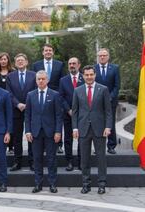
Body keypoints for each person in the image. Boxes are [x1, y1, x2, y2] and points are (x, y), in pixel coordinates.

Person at [72, 65, 112, 195]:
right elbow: (75, 112)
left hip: (100, 129)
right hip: (83, 129)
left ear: (95, 75)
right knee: (84, 158)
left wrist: (108, 126)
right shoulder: (77, 90)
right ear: (83, 76)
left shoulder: (103, 89)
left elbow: (108, 111)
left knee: (101, 158)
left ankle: (101, 184)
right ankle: (86, 184)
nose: (89, 77)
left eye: (91, 74)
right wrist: (75, 128)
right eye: (86, 75)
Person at [25, 70, 63, 193]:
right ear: (36, 81)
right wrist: (28, 131)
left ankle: (52, 184)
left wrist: (58, 131)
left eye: (43, 79)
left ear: (47, 80)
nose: (41, 81)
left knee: (51, 159)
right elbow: (28, 115)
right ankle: (38, 184)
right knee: (37, 159)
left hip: (51, 132)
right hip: (35, 132)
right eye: (38, 79)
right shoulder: (30, 95)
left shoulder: (55, 95)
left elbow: (58, 115)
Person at [32, 44, 65, 154]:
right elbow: (34, 82)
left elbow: (62, 82)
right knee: (43, 119)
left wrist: (60, 97)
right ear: (43, 52)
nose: (48, 52)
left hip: (55, 97)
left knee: (57, 119)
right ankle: (43, 145)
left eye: (50, 50)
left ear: (53, 52)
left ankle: (59, 144)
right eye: (46, 50)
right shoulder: (36, 65)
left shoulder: (59, 64)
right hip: (40, 95)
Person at [6, 53, 36, 172]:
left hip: (31, 109)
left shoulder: (33, 75)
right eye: (17, 61)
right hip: (16, 109)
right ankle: (17, 161)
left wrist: (28, 104)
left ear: (26, 62)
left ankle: (32, 161)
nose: (20, 62)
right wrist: (18, 104)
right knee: (17, 137)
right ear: (15, 63)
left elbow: (36, 90)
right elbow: (9, 93)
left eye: (22, 60)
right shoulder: (10, 76)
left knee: (31, 136)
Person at [59, 57, 84, 171]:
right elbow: (61, 97)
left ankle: (81, 162)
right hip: (68, 114)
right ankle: (69, 161)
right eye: (70, 64)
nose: (72, 65)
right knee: (68, 139)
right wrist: (68, 110)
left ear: (79, 65)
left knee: (82, 138)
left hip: (83, 114)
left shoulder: (85, 78)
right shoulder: (63, 80)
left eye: (74, 63)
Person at [94, 48, 120, 154]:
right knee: (97, 124)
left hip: (111, 101)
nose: (102, 57)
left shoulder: (115, 68)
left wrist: (110, 97)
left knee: (111, 123)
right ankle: (98, 147)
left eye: (104, 55)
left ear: (108, 56)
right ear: (98, 57)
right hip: (96, 102)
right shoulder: (93, 68)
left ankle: (111, 146)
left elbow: (117, 86)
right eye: (100, 55)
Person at [0, 52, 15, 153]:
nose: (3, 61)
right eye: (1, 59)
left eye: (5, 59)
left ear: (8, 60)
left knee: (9, 123)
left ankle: (11, 146)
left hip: (10, 102)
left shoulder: (13, 72)